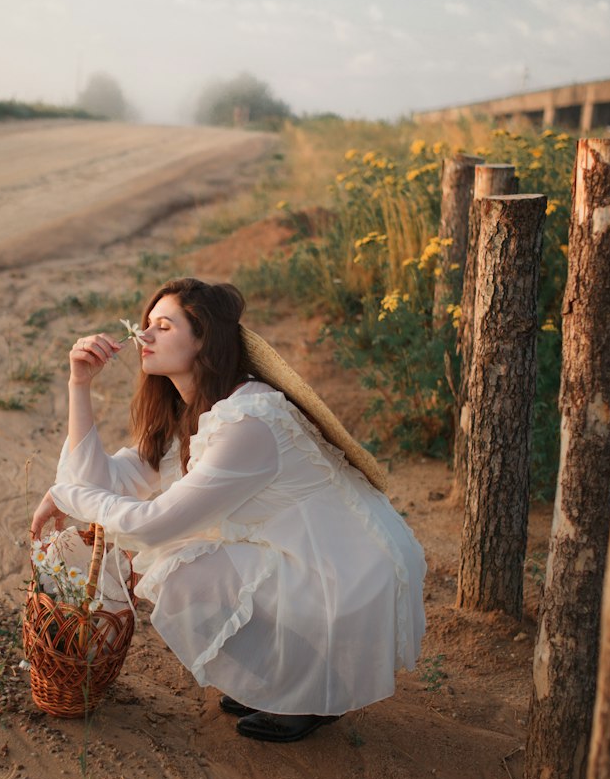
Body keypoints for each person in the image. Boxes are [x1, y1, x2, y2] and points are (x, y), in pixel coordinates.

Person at [30, 278, 427, 743]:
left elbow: (154, 526)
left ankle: (308, 693)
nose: (144, 337)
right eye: (145, 326)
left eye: (163, 326)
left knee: (175, 567)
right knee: (181, 557)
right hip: (298, 555)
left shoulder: (248, 421)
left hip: (340, 574)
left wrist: (66, 495)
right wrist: (80, 384)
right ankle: (286, 680)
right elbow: (104, 479)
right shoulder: (195, 408)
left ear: (204, 341)